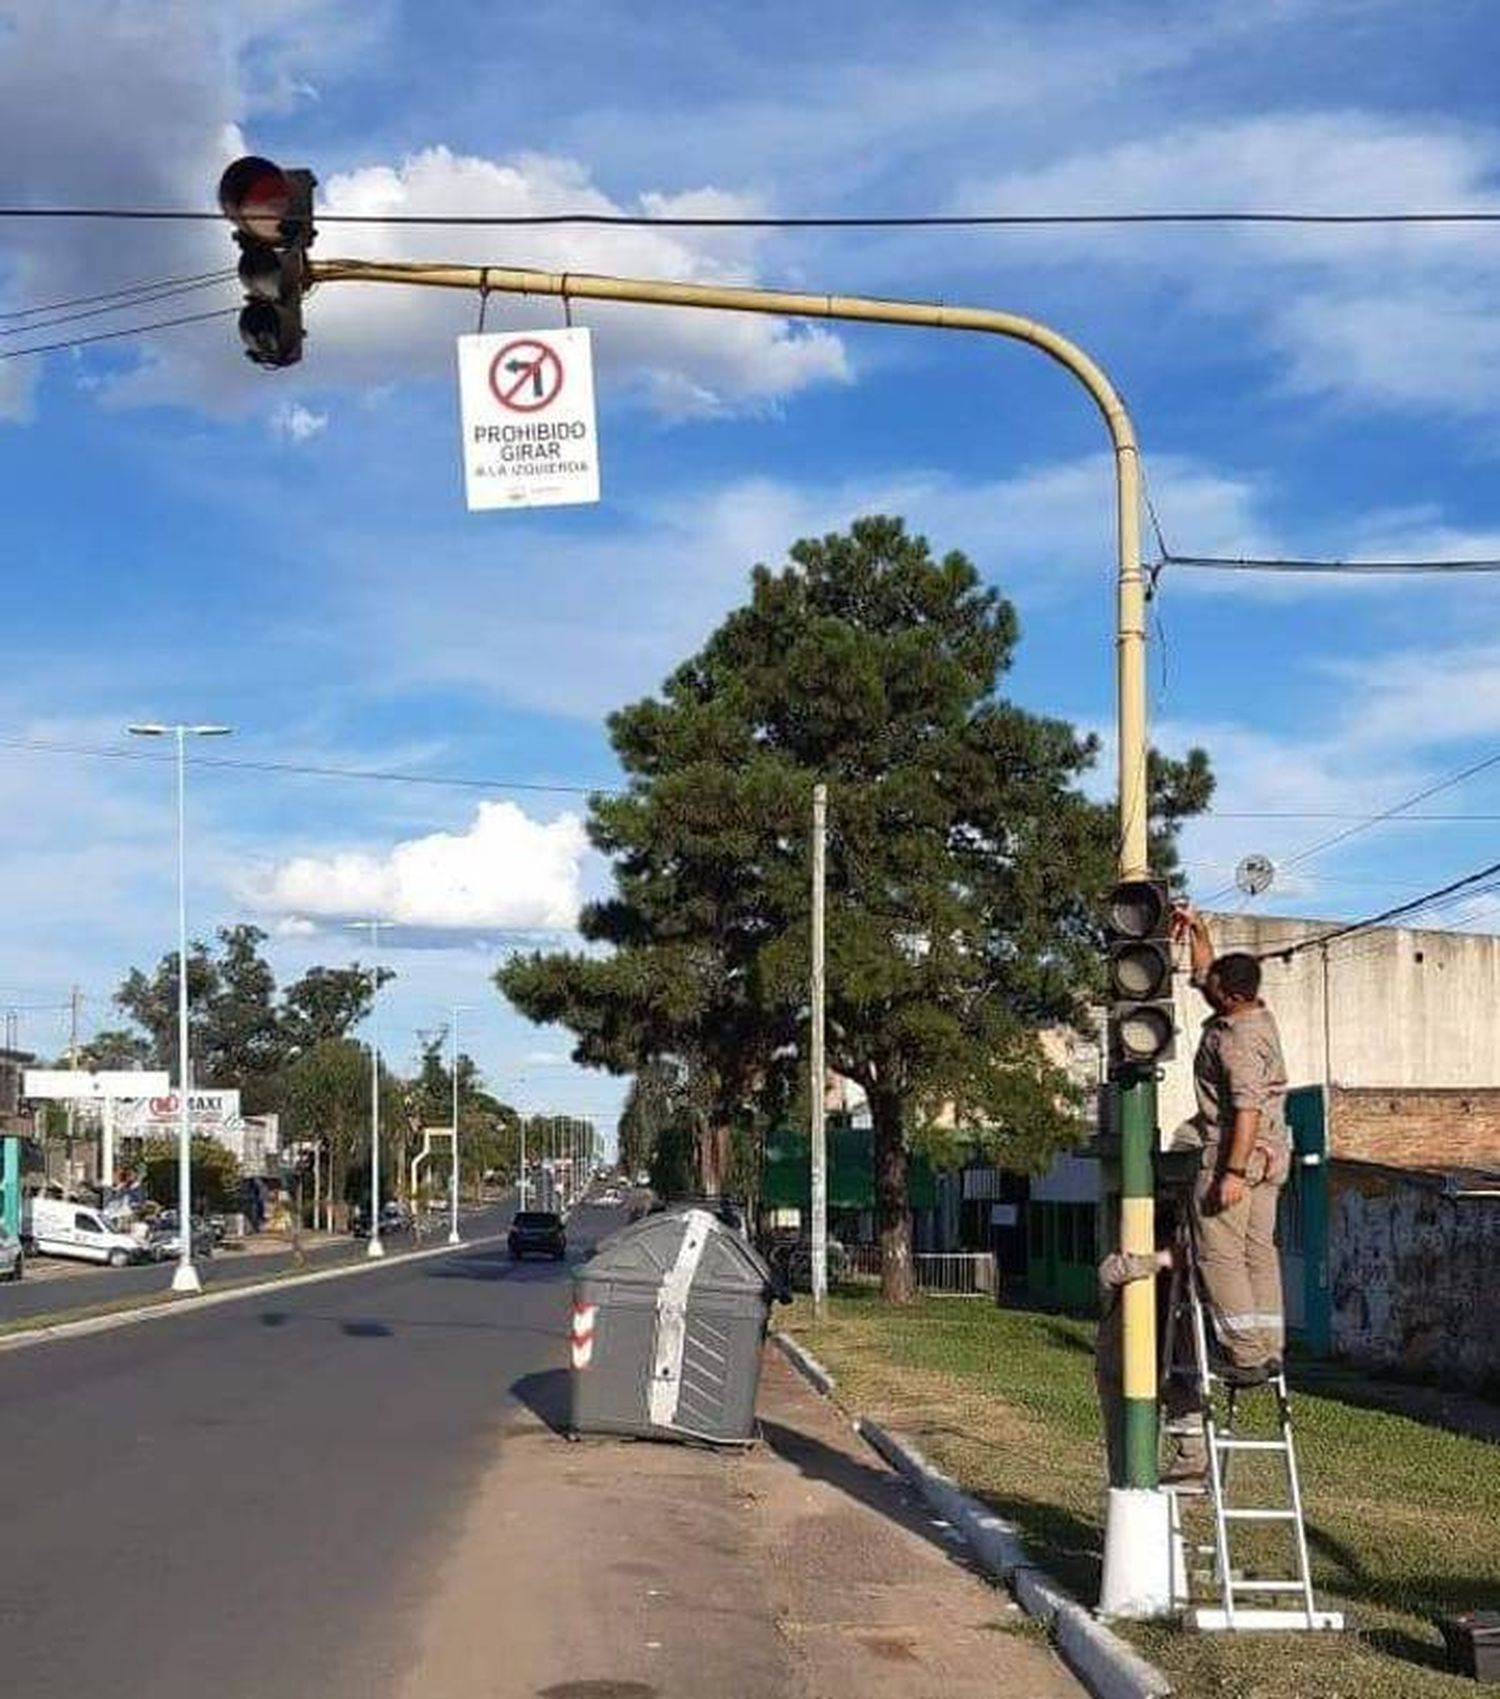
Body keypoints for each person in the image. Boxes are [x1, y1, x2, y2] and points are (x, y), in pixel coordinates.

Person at [1171, 905, 1292, 1389]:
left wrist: (1231, 1174)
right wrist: (1198, 929)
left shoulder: (1236, 1042)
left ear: (1233, 994)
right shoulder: (1253, 1015)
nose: (1206, 986)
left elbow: (1246, 1111)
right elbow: (1205, 974)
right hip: (1273, 1155)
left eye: (1215, 985)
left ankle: (1243, 1354)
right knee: (1258, 1253)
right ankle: (1268, 1349)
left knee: (1220, 1254)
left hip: (1236, 1152)